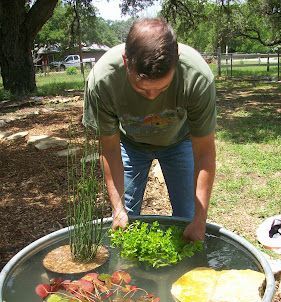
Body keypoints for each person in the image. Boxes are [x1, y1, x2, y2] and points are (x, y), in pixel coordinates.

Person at [83, 18, 216, 242]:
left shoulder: (197, 77)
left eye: (162, 88)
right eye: (142, 89)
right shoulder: (102, 81)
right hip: (129, 145)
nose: (153, 96)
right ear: (126, 62)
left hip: (179, 141)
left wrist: (200, 219)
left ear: (177, 63)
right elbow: (110, 149)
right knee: (124, 222)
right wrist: (118, 208)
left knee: (188, 218)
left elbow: (204, 153)